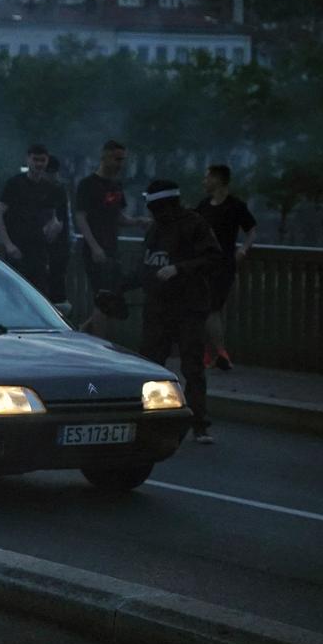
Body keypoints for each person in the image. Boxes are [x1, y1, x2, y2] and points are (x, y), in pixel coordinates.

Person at [99, 179, 224, 444]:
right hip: (158, 306)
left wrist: (179, 268)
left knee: (192, 366)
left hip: (189, 307)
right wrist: (120, 287)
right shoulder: (155, 229)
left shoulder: (195, 224)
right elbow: (147, 267)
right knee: (150, 366)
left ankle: (199, 423)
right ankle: (147, 417)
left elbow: (214, 258)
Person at [76, 140, 145, 338]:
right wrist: (95, 247)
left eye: (122, 160)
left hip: (112, 248)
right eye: (116, 159)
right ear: (104, 156)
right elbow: (81, 218)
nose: (120, 164)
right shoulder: (87, 184)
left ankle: (83, 330)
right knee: (104, 297)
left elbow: (119, 217)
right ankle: (100, 345)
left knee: (112, 295)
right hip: (95, 250)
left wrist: (138, 221)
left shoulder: (116, 185)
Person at [195, 164, 257, 371]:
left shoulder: (235, 206)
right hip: (204, 264)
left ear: (218, 180)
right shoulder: (203, 205)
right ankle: (210, 354)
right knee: (203, 308)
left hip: (224, 264)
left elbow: (252, 229)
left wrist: (244, 250)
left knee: (212, 306)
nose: (204, 181)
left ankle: (220, 353)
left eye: (207, 178)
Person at [0, 144, 69, 300]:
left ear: (47, 161)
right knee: (15, 294)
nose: (39, 164)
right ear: (28, 159)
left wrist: (54, 227)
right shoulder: (15, 183)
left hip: (39, 252)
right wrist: (8, 244)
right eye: (35, 160)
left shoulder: (49, 187)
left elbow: (53, 217)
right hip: (17, 249)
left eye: (42, 160)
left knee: (39, 296)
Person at [43, 155, 72, 304]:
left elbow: (56, 225)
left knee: (54, 288)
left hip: (55, 249)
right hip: (61, 247)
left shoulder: (56, 189)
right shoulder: (60, 188)